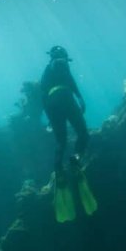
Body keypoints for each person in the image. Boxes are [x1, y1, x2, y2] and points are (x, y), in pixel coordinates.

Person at [40, 46, 97, 222]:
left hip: (51, 102)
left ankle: (58, 170)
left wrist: (50, 115)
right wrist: (80, 98)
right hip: (65, 96)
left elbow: (43, 95)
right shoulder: (61, 63)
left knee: (61, 141)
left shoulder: (45, 72)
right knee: (83, 133)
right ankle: (75, 160)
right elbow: (70, 81)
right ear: (63, 56)